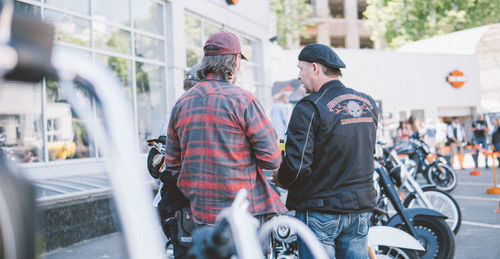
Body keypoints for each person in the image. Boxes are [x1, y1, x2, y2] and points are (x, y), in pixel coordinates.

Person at [161, 31, 286, 229]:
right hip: (243, 215)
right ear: (235, 61)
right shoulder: (244, 101)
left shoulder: (181, 103)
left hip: (200, 213)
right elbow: (272, 158)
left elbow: (173, 163)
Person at [272, 43, 379, 259]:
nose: (299, 77)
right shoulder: (367, 103)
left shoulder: (309, 107)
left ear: (314, 68)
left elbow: (297, 166)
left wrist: (280, 178)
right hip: (359, 209)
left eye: (300, 69)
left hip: (320, 210)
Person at [148, 64, 201, 258]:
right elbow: (158, 164)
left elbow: (157, 167)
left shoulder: (173, 112)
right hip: (182, 205)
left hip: (173, 203)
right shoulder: (179, 114)